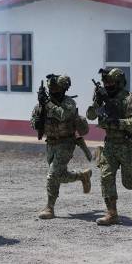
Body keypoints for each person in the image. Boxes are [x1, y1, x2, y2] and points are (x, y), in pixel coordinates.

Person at [87, 67, 132, 225]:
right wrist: (96, 102)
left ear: (119, 83)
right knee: (106, 177)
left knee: (130, 183)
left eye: (111, 83)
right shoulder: (103, 98)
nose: (107, 86)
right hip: (110, 144)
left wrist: (117, 122)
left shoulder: (131, 100)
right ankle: (112, 213)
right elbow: (90, 116)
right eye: (105, 83)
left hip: (129, 145)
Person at [31, 74, 93, 219]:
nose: (53, 92)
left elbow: (63, 115)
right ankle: (82, 176)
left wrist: (47, 104)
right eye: (51, 89)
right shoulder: (43, 105)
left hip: (67, 142)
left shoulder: (69, 103)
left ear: (63, 90)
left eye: (56, 89)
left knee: (52, 174)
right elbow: (33, 120)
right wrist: (37, 120)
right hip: (51, 143)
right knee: (59, 175)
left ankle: (49, 207)